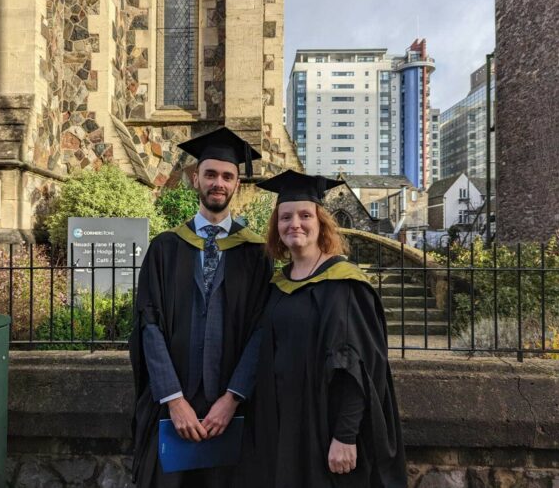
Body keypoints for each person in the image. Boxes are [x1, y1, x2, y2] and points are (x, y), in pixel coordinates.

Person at [243, 170, 406, 488]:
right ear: (276, 226)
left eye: (305, 215)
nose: (295, 224)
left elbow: (357, 367)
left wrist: (345, 436)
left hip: (326, 429)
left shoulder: (343, 284)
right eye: (285, 217)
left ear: (321, 224)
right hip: (284, 427)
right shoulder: (278, 284)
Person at [129, 127, 272, 488]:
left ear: (238, 183)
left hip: (233, 408)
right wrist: (174, 400)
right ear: (196, 179)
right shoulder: (165, 249)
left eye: (227, 176)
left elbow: (262, 329)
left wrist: (233, 398)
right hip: (172, 405)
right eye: (210, 174)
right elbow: (149, 324)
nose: (218, 183)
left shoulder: (256, 254)